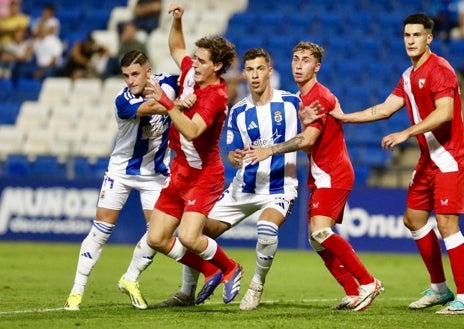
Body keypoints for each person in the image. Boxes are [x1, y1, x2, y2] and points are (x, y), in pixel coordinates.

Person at [327, 13, 464, 315]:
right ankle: (440, 289)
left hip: (450, 158)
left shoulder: (440, 69)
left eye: (417, 35)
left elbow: (446, 113)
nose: (411, 40)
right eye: (407, 36)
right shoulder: (408, 75)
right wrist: (345, 117)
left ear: (429, 38)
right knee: (413, 220)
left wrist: (407, 132)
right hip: (429, 160)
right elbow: (386, 108)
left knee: (446, 224)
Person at [157, 47, 301, 310]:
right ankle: (188, 291)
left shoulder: (291, 102)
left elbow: (309, 132)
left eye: (260, 69)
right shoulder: (237, 111)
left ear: (269, 71)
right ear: (243, 74)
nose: (255, 75)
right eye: (250, 70)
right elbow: (233, 154)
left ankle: (255, 286)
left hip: (279, 187)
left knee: (266, 228)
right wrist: (234, 157)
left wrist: (272, 149)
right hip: (243, 187)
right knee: (194, 230)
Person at [245, 41, 384, 312]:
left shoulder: (317, 96)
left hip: (333, 172)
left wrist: (270, 150)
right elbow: (311, 142)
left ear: (317, 66)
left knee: (320, 231)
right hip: (321, 173)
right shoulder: (304, 99)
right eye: (295, 59)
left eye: (306, 60)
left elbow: (308, 139)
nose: (298, 65)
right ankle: (352, 291)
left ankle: (368, 282)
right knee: (315, 238)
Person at [63, 49, 183, 311]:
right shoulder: (123, 100)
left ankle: (130, 278)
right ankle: (76, 292)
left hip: (155, 175)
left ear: (148, 71)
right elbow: (150, 107)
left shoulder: (170, 83)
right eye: (126, 75)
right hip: (121, 171)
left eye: (135, 74)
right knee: (101, 229)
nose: (130, 80)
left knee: (158, 235)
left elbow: (191, 73)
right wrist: (178, 106)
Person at [141, 3, 242, 306]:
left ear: (217, 67)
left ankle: (230, 268)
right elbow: (176, 47)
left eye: (201, 61)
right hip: (180, 171)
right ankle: (211, 270)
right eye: (195, 59)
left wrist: (168, 103)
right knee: (156, 238)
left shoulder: (215, 96)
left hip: (204, 176)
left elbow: (193, 131)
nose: (194, 64)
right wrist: (177, 20)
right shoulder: (190, 74)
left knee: (188, 237)